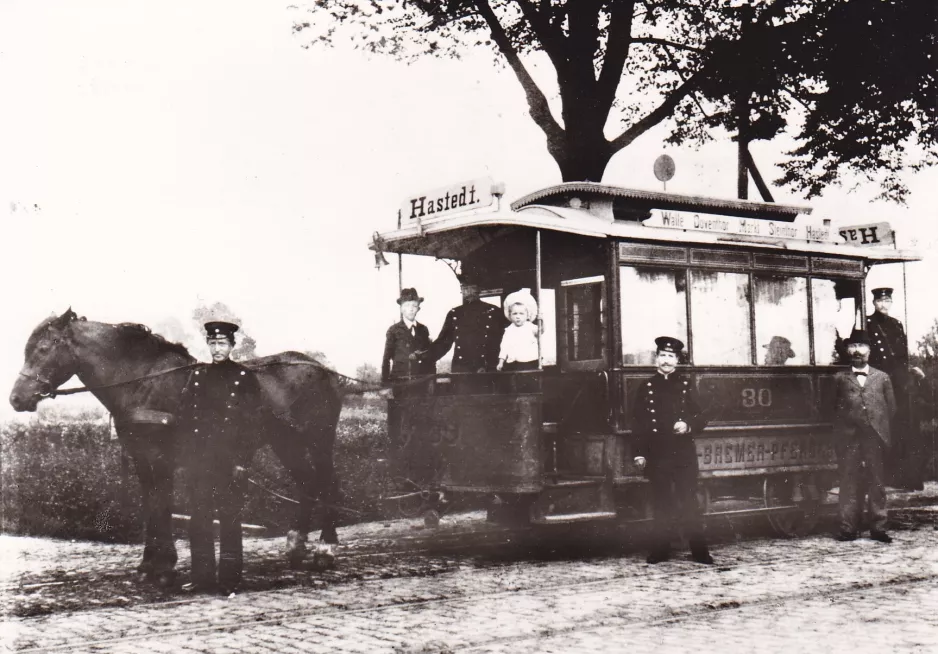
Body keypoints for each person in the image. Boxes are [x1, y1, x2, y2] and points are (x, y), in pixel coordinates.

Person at [179, 320, 263, 593]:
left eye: (223, 344)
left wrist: (242, 461)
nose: (217, 348)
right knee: (199, 518)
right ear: (208, 345)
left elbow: (252, 425)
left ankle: (229, 579)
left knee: (229, 519)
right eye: (213, 343)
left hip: (229, 461)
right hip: (200, 460)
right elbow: (186, 418)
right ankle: (202, 578)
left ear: (232, 346)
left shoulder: (244, 378)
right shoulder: (198, 376)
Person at [632, 336, 713, 565]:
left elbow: (703, 415)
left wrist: (688, 425)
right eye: (662, 356)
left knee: (689, 501)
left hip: (682, 453)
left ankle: (700, 552)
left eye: (670, 357)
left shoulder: (687, 385)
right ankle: (660, 550)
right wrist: (639, 453)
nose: (666, 361)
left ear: (677, 361)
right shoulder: (646, 387)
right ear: (656, 359)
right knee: (662, 502)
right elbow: (638, 423)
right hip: (658, 454)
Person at [834, 330, 896, 544]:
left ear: (869, 350)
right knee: (848, 481)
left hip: (874, 437)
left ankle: (878, 528)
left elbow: (891, 409)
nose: (857, 351)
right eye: (852, 346)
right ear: (848, 351)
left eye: (861, 346)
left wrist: (879, 430)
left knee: (876, 482)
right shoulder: (839, 379)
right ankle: (848, 528)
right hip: (849, 438)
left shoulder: (882, 378)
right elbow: (832, 409)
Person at [866, 287, 922, 490]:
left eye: (887, 301)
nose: (883, 305)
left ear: (891, 303)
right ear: (874, 303)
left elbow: (902, 355)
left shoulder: (897, 325)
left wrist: (910, 369)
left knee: (903, 421)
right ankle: (884, 474)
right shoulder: (868, 324)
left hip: (897, 379)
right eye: (880, 301)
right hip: (878, 377)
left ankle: (905, 475)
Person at [429, 277, 508, 373]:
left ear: (479, 289)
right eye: (465, 288)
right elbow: (443, 342)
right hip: (462, 369)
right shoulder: (455, 313)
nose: (469, 291)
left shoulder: (494, 312)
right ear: (461, 290)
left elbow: (506, 341)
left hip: (487, 367)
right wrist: (424, 356)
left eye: (472, 288)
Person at [381, 288, 434, 394]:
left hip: (421, 383)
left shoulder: (423, 330)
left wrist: (431, 380)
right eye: (407, 306)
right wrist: (385, 384)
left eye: (414, 306)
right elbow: (386, 359)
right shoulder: (394, 330)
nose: (411, 309)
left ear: (418, 308)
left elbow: (430, 358)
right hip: (400, 383)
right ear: (401, 309)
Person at [496, 290, 539, 372]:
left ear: (527, 316)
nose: (518, 317)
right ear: (510, 316)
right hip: (514, 362)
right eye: (515, 314)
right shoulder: (509, 330)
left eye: (521, 313)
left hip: (530, 361)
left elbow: (540, 332)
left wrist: (542, 321)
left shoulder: (530, 327)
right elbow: (504, 347)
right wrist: (501, 362)